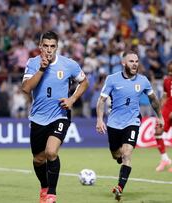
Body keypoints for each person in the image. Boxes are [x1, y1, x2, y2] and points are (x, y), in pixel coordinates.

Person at [21, 31, 89, 203]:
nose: (49, 50)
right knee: (38, 159)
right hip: (38, 117)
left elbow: (84, 81)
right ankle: (44, 187)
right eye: (46, 46)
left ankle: (52, 194)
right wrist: (42, 69)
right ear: (40, 46)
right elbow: (26, 88)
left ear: (57, 47)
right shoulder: (33, 63)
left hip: (60, 115)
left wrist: (72, 98)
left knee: (51, 152)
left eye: (52, 46)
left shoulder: (69, 64)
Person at [96, 51, 164, 201]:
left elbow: (153, 99)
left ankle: (119, 187)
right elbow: (101, 100)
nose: (135, 64)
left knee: (127, 153)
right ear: (123, 63)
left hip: (132, 121)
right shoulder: (112, 79)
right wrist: (100, 120)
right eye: (131, 61)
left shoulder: (143, 81)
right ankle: (119, 158)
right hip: (114, 123)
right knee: (116, 154)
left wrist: (160, 116)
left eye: (136, 61)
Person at [154, 61, 172, 172]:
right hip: (167, 109)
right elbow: (165, 96)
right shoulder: (166, 80)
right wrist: (159, 112)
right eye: (169, 70)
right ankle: (165, 159)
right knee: (158, 132)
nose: (170, 72)